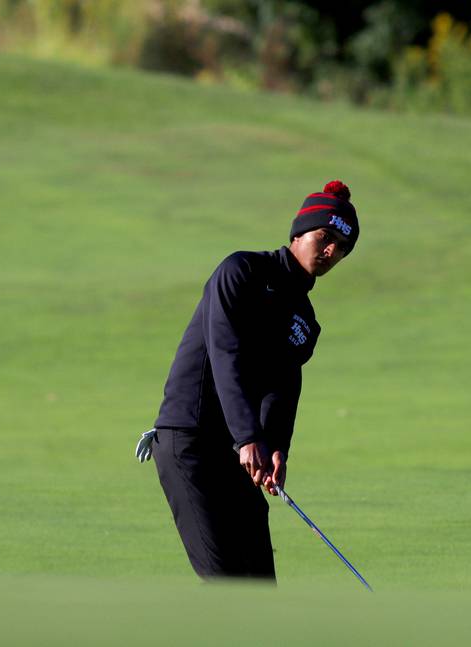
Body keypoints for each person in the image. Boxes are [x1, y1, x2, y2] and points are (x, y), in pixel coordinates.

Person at [135, 180, 360, 581]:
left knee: (258, 584)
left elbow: (283, 385)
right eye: (325, 237)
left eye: (341, 247)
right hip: (189, 439)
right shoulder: (242, 271)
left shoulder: (305, 323)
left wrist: (276, 447)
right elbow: (226, 354)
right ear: (298, 233)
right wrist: (248, 437)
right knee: (225, 585)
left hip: (238, 450)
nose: (330, 251)